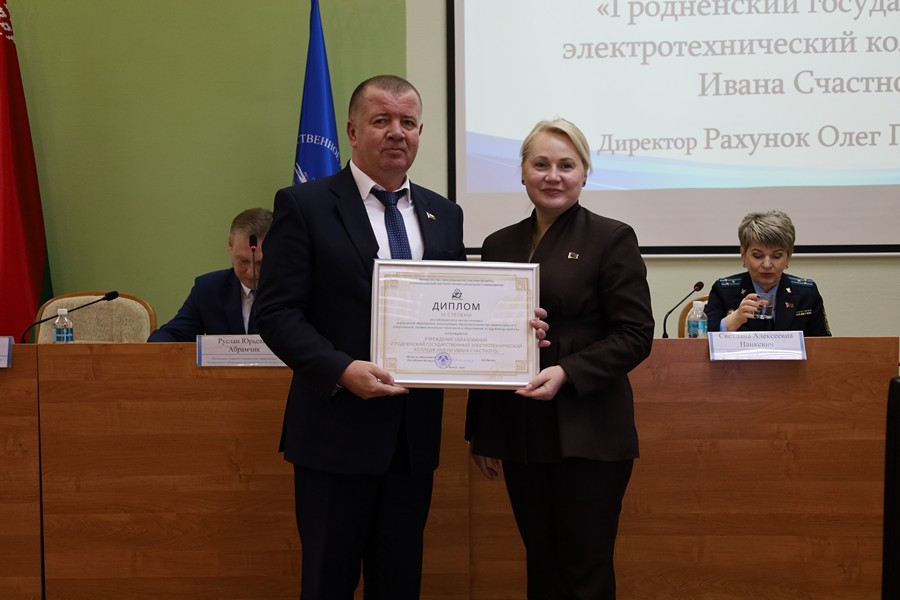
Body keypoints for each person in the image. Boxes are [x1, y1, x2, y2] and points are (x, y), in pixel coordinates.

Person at [253, 75, 472, 600]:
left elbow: (459, 306)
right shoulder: (304, 205)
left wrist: (511, 325)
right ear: (352, 131)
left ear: (420, 132)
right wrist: (341, 370)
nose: (397, 132)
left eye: (408, 122)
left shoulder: (445, 214)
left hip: (412, 441)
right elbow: (276, 312)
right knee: (327, 584)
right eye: (381, 120)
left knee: (399, 585)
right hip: (334, 434)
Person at [465, 118, 655, 599]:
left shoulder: (612, 238)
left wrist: (567, 369)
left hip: (589, 429)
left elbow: (635, 335)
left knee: (584, 570)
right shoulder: (498, 244)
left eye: (566, 165)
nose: (553, 176)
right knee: (542, 565)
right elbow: (483, 340)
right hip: (521, 428)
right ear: (522, 172)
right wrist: (483, 430)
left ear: (585, 173)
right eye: (541, 164)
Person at [147, 207, 271, 342]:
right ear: (230, 246)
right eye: (243, 261)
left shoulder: (289, 291)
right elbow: (171, 335)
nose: (252, 271)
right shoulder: (209, 288)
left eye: (261, 262)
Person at [704, 210, 831, 336]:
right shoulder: (724, 291)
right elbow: (702, 341)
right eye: (758, 256)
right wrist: (734, 320)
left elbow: (824, 344)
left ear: (788, 257)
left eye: (776, 256)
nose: (767, 265)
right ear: (743, 255)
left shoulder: (806, 293)